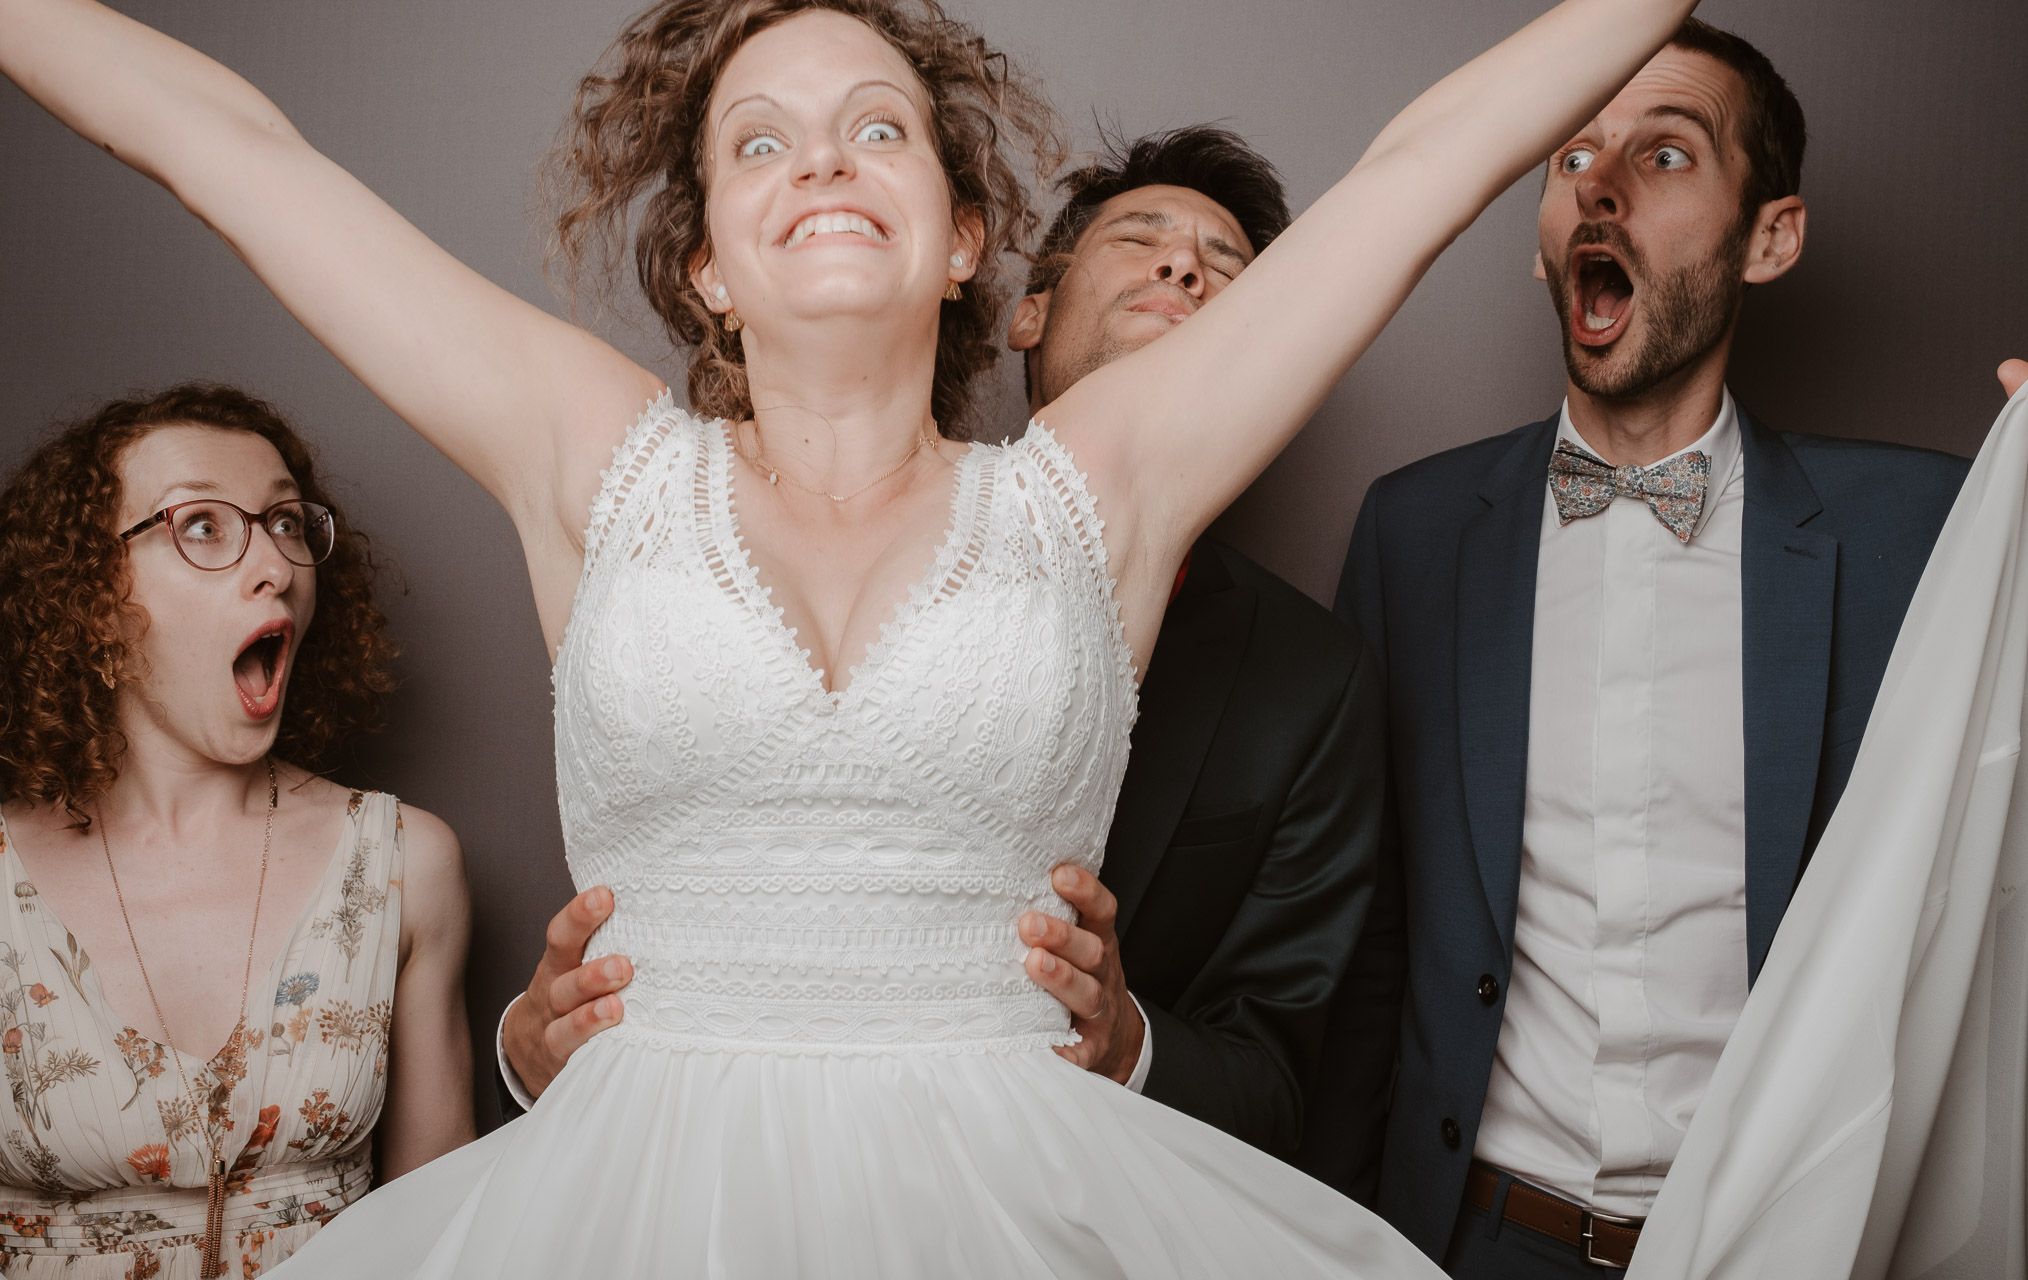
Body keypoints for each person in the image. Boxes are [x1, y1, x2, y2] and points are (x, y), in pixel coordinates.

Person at [0, 0, 1699, 1271]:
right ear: (712, 270)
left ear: (963, 238)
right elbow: (238, 153)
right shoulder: (587, 452)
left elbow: (1424, 169)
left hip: (1025, 1207)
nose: (817, 160)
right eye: (760, 141)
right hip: (631, 1212)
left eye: (876, 128)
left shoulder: (1101, 483)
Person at [1303, 17, 2028, 1276]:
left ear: (1769, 237)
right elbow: (1363, 943)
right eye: (1570, 155)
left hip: (1788, 1231)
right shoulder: (1411, 531)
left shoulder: (1923, 527)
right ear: (1543, 246)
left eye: (1661, 154)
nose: (1596, 182)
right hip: (1477, 1236)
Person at [500, 125, 1387, 1158]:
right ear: (1024, 309)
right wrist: (532, 1050)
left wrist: (1129, 1043)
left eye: (1226, 266)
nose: (1182, 262)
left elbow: (1298, 1079)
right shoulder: (668, 536)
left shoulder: (1313, 683)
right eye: (1137, 236)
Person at [0, 384, 474, 1278]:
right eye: (205, 527)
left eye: (287, 523)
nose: (277, 566)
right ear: (93, 597)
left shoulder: (404, 864)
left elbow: (439, 1232)